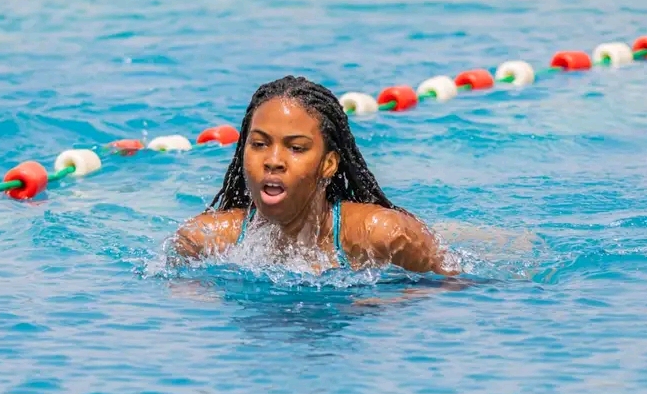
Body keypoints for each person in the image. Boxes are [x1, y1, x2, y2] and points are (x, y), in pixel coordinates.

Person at [173, 75, 459, 276]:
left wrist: (383, 304)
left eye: (296, 148)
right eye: (259, 144)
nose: (273, 161)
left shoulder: (384, 235)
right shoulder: (203, 241)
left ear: (328, 164)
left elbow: (453, 287)